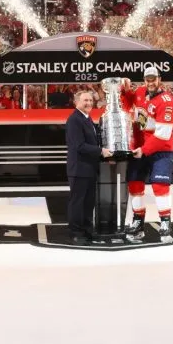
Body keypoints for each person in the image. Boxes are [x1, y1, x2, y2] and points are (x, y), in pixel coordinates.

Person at [123, 66, 173, 243]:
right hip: (140, 148)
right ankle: (138, 222)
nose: (150, 82)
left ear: (159, 79)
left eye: (153, 79)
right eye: (147, 79)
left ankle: (165, 223)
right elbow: (127, 103)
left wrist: (144, 150)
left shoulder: (167, 100)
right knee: (134, 184)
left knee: (160, 186)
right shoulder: (140, 92)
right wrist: (124, 90)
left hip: (160, 150)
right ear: (144, 80)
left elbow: (163, 135)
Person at [65, 89, 111, 245]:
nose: (89, 103)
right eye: (85, 100)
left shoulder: (87, 118)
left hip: (89, 169)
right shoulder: (74, 120)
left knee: (88, 202)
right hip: (79, 169)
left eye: (90, 101)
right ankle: (75, 232)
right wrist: (101, 151)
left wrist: (104, 154)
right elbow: (79, 146)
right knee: (78, 202)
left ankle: (87, 230)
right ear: (76, 102)